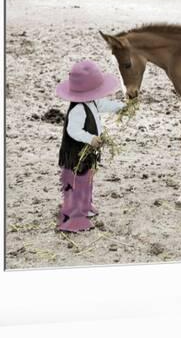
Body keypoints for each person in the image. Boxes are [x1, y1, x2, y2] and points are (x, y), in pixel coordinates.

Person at [55, 60, 124, 232]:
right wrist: (90, 138)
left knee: (88, 179)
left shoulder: (91, 101)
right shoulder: (78, 108)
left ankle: (86, 205)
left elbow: (103, 105)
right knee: (77, 182)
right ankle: (74, 219)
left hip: (87, 153)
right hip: (77, 154)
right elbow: (73, 130)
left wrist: (120, 108)